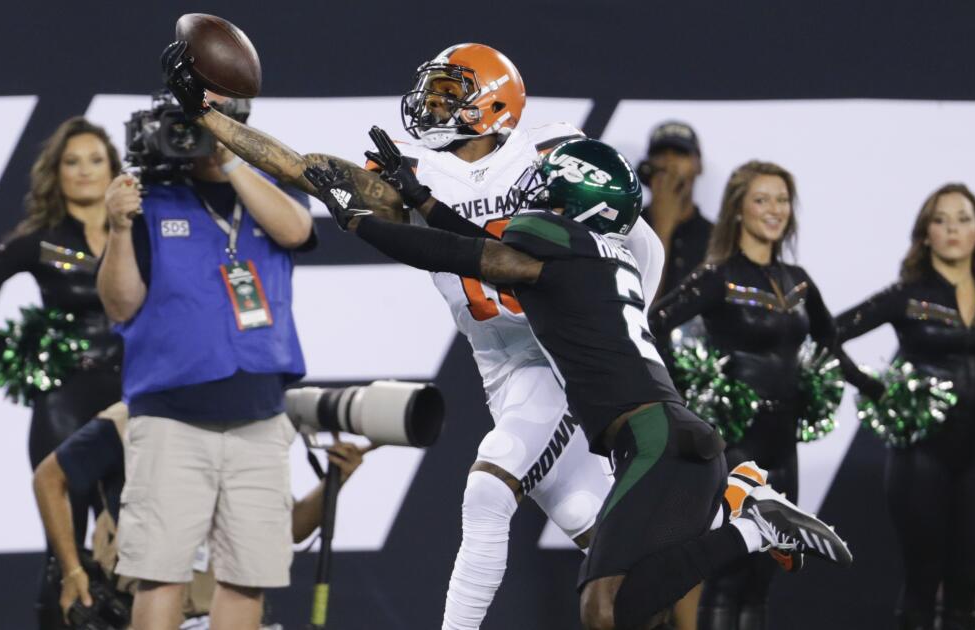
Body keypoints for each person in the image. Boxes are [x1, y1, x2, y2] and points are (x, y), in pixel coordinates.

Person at [161, 41, 665, 629]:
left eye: (449, 94)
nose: (429, 104)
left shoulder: (551, 149)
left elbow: (640, 242)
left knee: (489, 488)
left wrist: (611, 338)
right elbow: (306, 169)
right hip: (500, 369)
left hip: (556, 355)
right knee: (602, 537)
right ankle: (742, 527)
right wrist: (206, 115)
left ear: (493, 106)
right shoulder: (413, 166)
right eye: (432, 90)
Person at [302, 137, 852, 630]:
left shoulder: (555, 240)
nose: (536, 190)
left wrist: (357, 220)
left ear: (577, 200)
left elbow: (456, 254)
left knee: (603, 610)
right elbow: (482, 253)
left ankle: (750, 526)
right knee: (638, 610)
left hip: (652, 440)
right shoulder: (593, 254)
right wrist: (422, 202)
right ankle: (742, 513)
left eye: (550, 180)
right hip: (675, 437)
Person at [98, 88, 316, 630]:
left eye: (209, 123)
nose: (195, 136)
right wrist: (119, 228)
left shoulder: (272, 186)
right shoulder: (147, 196)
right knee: (160, 572)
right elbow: (120, 304)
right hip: (171, 414)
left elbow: (299, 231)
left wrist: (231, 159)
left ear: (237, 124)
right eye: (189, 124)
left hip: (261, 413)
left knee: (248, 575)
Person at [647, 160, 877, 630]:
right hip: (736, 448)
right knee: (728, 571)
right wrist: (682, 392)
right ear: (738, 210)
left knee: (763, 573)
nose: (774, 210)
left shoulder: (797, 279)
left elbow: (829, 344)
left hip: (782, 442)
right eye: (761, 199)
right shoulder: (718, 277)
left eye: (782, 200)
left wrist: (875, 389)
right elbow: (654, 325)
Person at [833, 183, 975, 630]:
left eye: (963, 219)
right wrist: (878, 390)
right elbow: (829, 334)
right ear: (926, 235)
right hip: (920, 456)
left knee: (966, 587)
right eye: (941, 220)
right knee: (922, 581)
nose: (953, 228)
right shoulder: (907, 295)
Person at [0, 116, 124, 628]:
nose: (85, 171)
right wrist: (8, 352)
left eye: (95, 160)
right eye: (72, 161)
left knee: (137, 541)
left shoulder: (138, 234)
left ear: (114, 169)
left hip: (134, 396)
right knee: (65, 551)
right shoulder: (39, 242)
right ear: (56, 173)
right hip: (66, 399)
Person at [32, 401, 365, 628]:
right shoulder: (127, 421)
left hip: (231, 613)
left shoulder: (247, 426)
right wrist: (72, 570)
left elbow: (287, 528)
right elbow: (49, 478)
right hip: (144, 613)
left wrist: (334, 482)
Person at [638, 121, 712, 302]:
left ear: (698, 166)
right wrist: (662, 227)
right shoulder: (627, 229)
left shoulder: (716, 236)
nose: (669, 163)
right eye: (660, 154)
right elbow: (637, 305)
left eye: (680, 154)